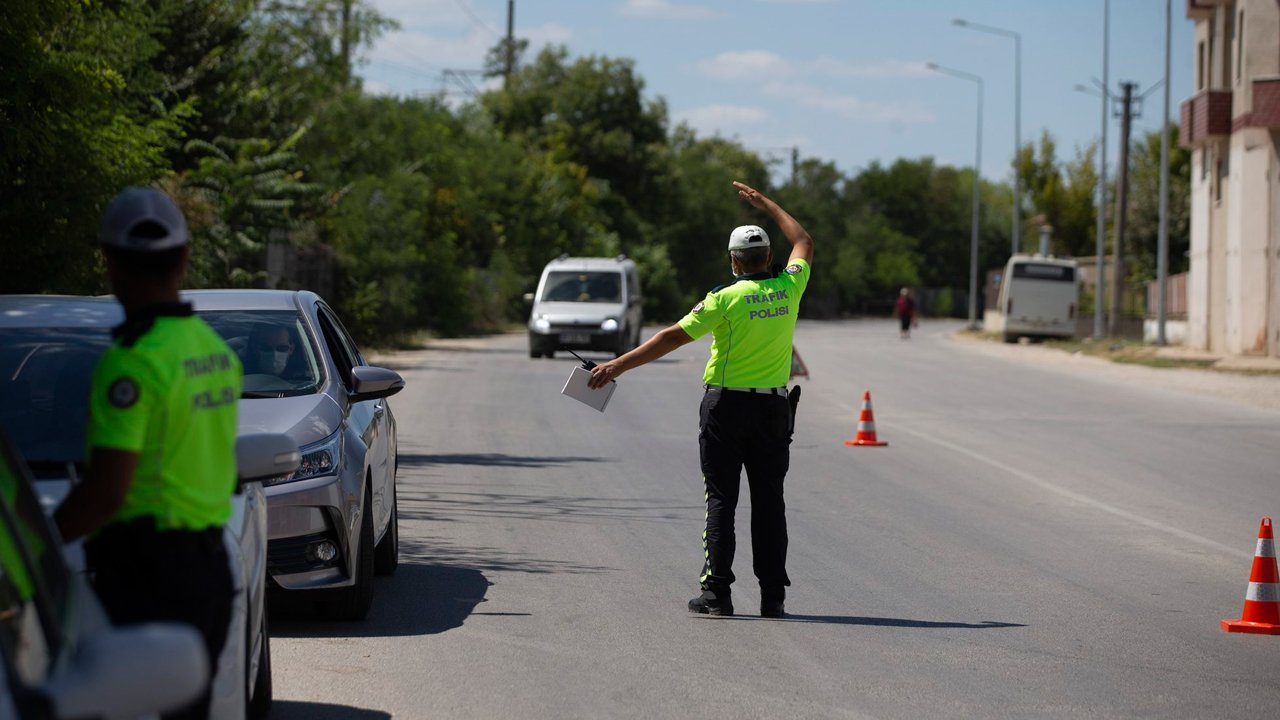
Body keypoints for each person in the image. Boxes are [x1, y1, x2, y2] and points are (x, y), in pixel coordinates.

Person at [54, 187, 241, 720]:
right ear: (183, 259)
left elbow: (107, 492)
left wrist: (36, 547)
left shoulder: (132, 363)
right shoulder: (214, 352)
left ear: (109, 263)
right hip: (209, 573)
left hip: (145, 579)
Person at [588, 180, 813, 618]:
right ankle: (773, 597)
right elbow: (802, 239)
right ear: (769, 257)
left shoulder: (723, 299)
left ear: (733, 261)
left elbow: (670, 337)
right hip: (772, 409)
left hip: (726, 409)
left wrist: (616, 366)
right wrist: (765, 203)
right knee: (769, 501)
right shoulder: (790, 287)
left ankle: (717, 594)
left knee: (721, 499)